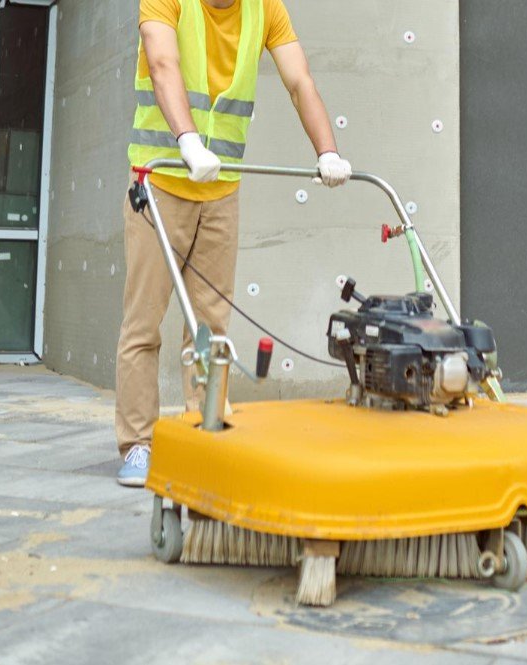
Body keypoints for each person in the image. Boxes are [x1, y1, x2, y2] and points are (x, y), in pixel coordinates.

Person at [116, 0, 351, 486]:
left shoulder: (265, 9)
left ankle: (204, 435)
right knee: (143, 323)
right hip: (160, 183)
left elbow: (300, 81)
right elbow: (162, 64)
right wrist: (187, 140)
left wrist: (327, 150)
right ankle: (138, 444)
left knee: (211, 325)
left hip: (221, 190)